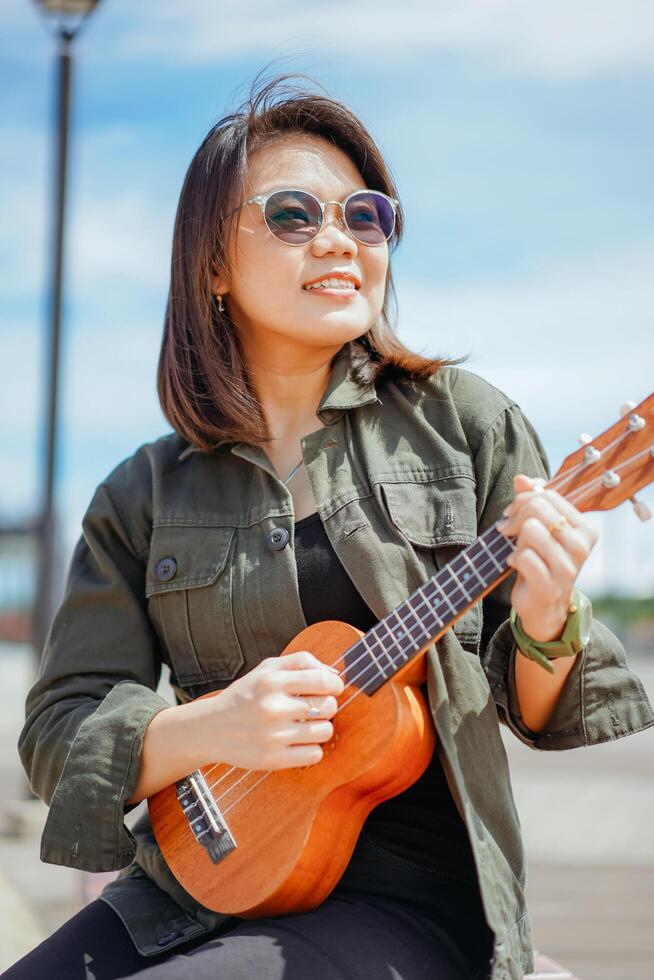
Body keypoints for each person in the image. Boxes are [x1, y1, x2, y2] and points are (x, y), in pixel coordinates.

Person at [8, 72, 654, 980]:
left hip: (405, 901)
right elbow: (58, 732)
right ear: (212, 267)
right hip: (185, 887)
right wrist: (212, 728)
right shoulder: (141, 492)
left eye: (366, 216)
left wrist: (550, 616)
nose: (341, 241)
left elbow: (537, 709)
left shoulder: (466, 424)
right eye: (292, 216)